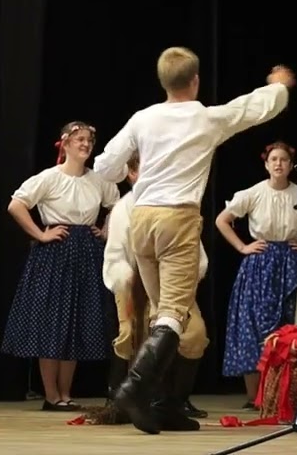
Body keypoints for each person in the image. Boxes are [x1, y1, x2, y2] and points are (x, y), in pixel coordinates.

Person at [94, 47, 294, 434]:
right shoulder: (205, 118)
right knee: (172, 313)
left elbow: (105, 166)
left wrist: (131, 163)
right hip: (177, 220)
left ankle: (163, 405)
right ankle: (135, 389)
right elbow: (251, 108)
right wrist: (280, 87)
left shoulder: (143, 118)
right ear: (196, 81)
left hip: (142, 218)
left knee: (161, 314)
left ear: (164, 82)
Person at [1, 121, 120, 411]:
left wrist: (105, 230)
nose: (85, 145)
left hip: (86, 251)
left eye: (89, 141)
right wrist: (41, 234)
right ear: (65, 143)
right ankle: (51, 395)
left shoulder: (98, 180)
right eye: (79, 139)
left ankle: (66, 393)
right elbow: (16, 204)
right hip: (56, 253)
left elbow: (117, 204)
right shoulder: (49, 178)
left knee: (77, 321)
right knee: (52, 323)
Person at [215, 141, 297, 406]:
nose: (279, 163)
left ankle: (288, 393)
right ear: (266, 164)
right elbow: (221, 220)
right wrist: (242, 247)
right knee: (254, 325)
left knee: (292, 326)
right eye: (274, 159)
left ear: (292, 166)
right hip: (260, 266)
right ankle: (255, 397)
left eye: (283, 159)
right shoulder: (253, 193)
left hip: (291, 265)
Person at [99, 154, 210, 429]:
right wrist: (124, 283)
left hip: (173, 284)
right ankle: (123, 398)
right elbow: (115, 254)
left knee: (195, 335)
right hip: (134, 283)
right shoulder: (125, 207)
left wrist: (190, 276)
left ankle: (171, 404)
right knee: (131, 334)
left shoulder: (176, 200)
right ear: (132, 175)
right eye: (142, 170)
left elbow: (195, 251)